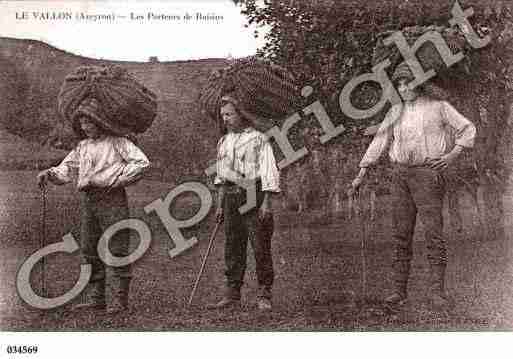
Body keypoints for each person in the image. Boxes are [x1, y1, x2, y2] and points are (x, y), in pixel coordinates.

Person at [349, 63, 476, 309]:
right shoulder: (396, 111)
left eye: (408, 82)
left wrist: (450, 156)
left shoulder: (439, 107)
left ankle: (437, 293)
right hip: (400, 177)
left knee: (433, 234)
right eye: (399, 84)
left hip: (428, 176)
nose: (403, 88)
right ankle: (399, 291)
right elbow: (380, 140)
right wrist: (361, 174)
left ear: (420, 83)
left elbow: (468, 128)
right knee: (401, 235)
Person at [37, 97, 150, 314]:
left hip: (112, 198)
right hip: (89, 200)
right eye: (83, 123)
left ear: (101, 121)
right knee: (89, 248)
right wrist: (49, 174)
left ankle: (119, 300)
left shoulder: (118, 142)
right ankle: (97, 298)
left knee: (117, 246)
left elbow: (142, 163)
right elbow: (66, 169)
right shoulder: (83, 146)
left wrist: (117, 179)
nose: (86, 127)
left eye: (90, 122)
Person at [208, 95, 280, 311]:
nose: (226, 119)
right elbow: (221, 176)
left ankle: (264, 293)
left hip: (254, 193)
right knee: (232, 245)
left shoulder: (259, 139)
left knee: (260, 245)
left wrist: (266, 203)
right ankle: (232, 293)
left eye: (229, 114)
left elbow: (269, 170)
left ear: (242, 114)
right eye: (223, 116)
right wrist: (220, 205)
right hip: (231, 197)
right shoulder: (224, 141)